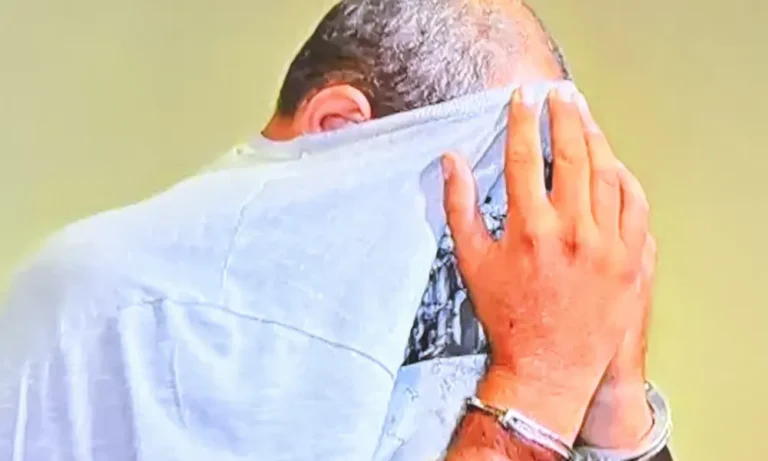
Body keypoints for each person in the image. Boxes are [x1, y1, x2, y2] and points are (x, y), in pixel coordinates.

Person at [0, 1, 673, 460]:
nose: (533, 242)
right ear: (340, 132)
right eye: (502, 181)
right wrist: (535, 392)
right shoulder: (109, 319)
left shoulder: (518, 320)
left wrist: (615, 406)